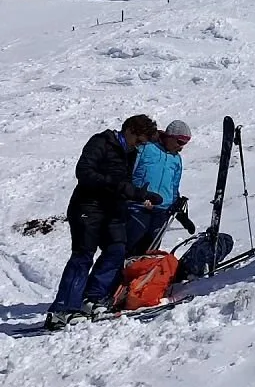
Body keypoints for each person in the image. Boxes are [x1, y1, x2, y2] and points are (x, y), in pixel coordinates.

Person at [46, 114, 162, 330]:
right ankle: (62, 310)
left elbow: (124, 184)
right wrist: (115, 185)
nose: (140, 145)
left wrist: (141, 196)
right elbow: (84, 172)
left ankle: (92, 299)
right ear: (130, 130)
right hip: (88, 207)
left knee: (117, 250)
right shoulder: (101, 142)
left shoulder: (130, 152)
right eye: (139, 140)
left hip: (113, 209)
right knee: (83, 256)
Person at [125, 120, 197, 257]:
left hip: (162, 211)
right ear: (170, 136)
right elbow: (129, 173)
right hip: (139, 206)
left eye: (184, 144)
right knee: (129, 247)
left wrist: (177, 207)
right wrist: (132, 195)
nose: (181, 148)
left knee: (150, 251)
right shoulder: (146, 148)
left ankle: (142, 277)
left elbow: (174, 185)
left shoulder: (176, 159)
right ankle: (119, 276)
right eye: (179, 142)